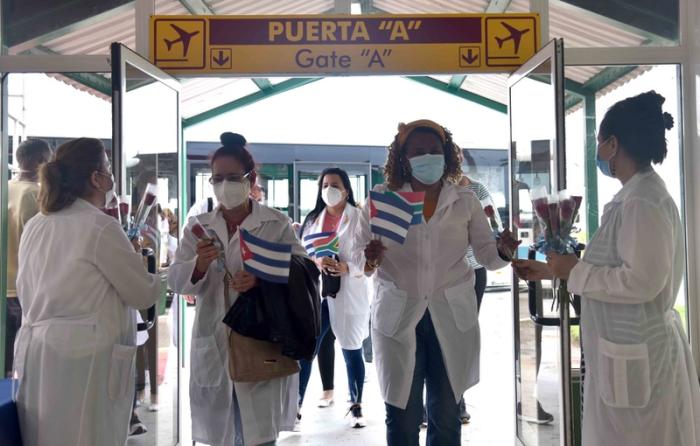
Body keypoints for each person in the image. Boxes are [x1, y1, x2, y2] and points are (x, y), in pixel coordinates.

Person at [513, 91, 700, 445]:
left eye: (600, 143)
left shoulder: (643, 202)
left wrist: (575, 272)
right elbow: (619, 268)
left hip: (640, 362)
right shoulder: (634, 196)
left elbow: (642, 281)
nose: (598, 152)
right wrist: (556, 271)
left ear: (613, 144)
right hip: (627, 358)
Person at [354, 119, 518, 446]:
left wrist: (503, 250)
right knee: (401, 415)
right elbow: (359, 261)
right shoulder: (380, 199)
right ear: (402, 157)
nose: (427, 156)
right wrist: (370, 257)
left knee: (446, 416)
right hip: (400, 317)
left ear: (446, 155)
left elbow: (487, 255)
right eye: (417, 151)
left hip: (450, 315)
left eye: (434, 150)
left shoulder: (465, 200)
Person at [13, 137, 160, 446]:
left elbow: (26, 290)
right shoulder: (101, 227)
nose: (111, 176)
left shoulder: (37, 224)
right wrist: (149, 263)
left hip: (40, 353)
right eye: (107, 168)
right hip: (88, 361)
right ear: (96, 177)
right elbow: (143, 295)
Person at [168, 132, 304, 446]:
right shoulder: (198, 227)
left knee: (259, 436)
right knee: (221, 436)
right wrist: (199, 265)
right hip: (213, 340)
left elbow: (303, 271)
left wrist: (260, 279)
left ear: (250, 179)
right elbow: (176, 281)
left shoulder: (275, 223)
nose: (223, 185)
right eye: (216, 178)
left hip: (261, 340)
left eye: (232, 177)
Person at [298, 168, 369, 428]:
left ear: (346, 190)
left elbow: (370, 257)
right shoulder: (313, 219)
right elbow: (303, 252)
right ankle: (295, 407)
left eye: (335, 184)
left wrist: (347, 268)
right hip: (319, 294)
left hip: (349, 292)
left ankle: (356, 407)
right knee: (307, 349)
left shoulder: (360, 217)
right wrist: (317, 260)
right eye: (325, 184)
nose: (329, 189)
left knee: (351, 351)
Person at [4, 138, 52, 377]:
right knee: (25, 369)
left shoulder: (5, 189)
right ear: (40, 162)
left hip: (5, 287)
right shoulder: (39, 195)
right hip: (25, 291)